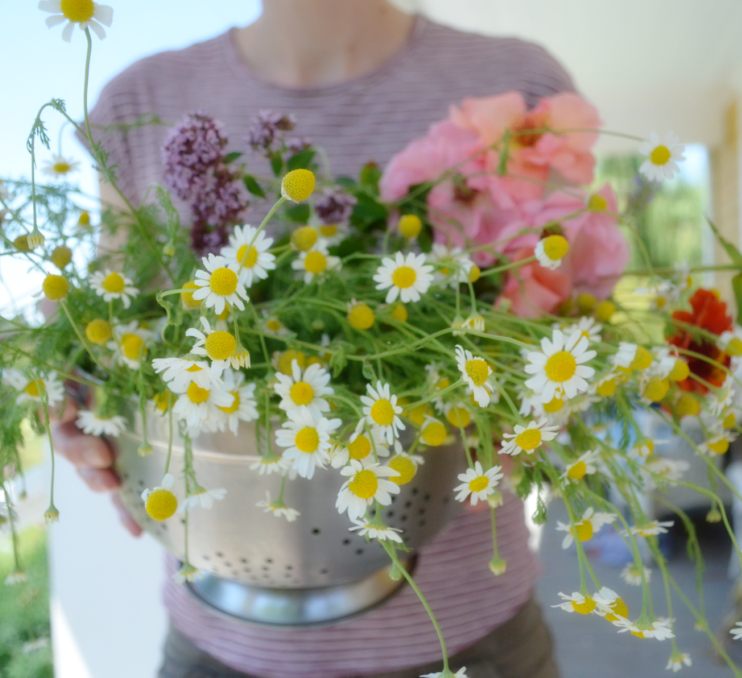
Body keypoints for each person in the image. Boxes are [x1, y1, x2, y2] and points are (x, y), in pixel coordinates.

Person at [58, 2, 581, 676]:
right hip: (220, 647)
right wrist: (79, 397)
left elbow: (569, 323)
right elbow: (118, 330)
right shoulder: (139, 102)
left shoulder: (517, 86)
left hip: (470, 642)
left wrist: (546, 400)